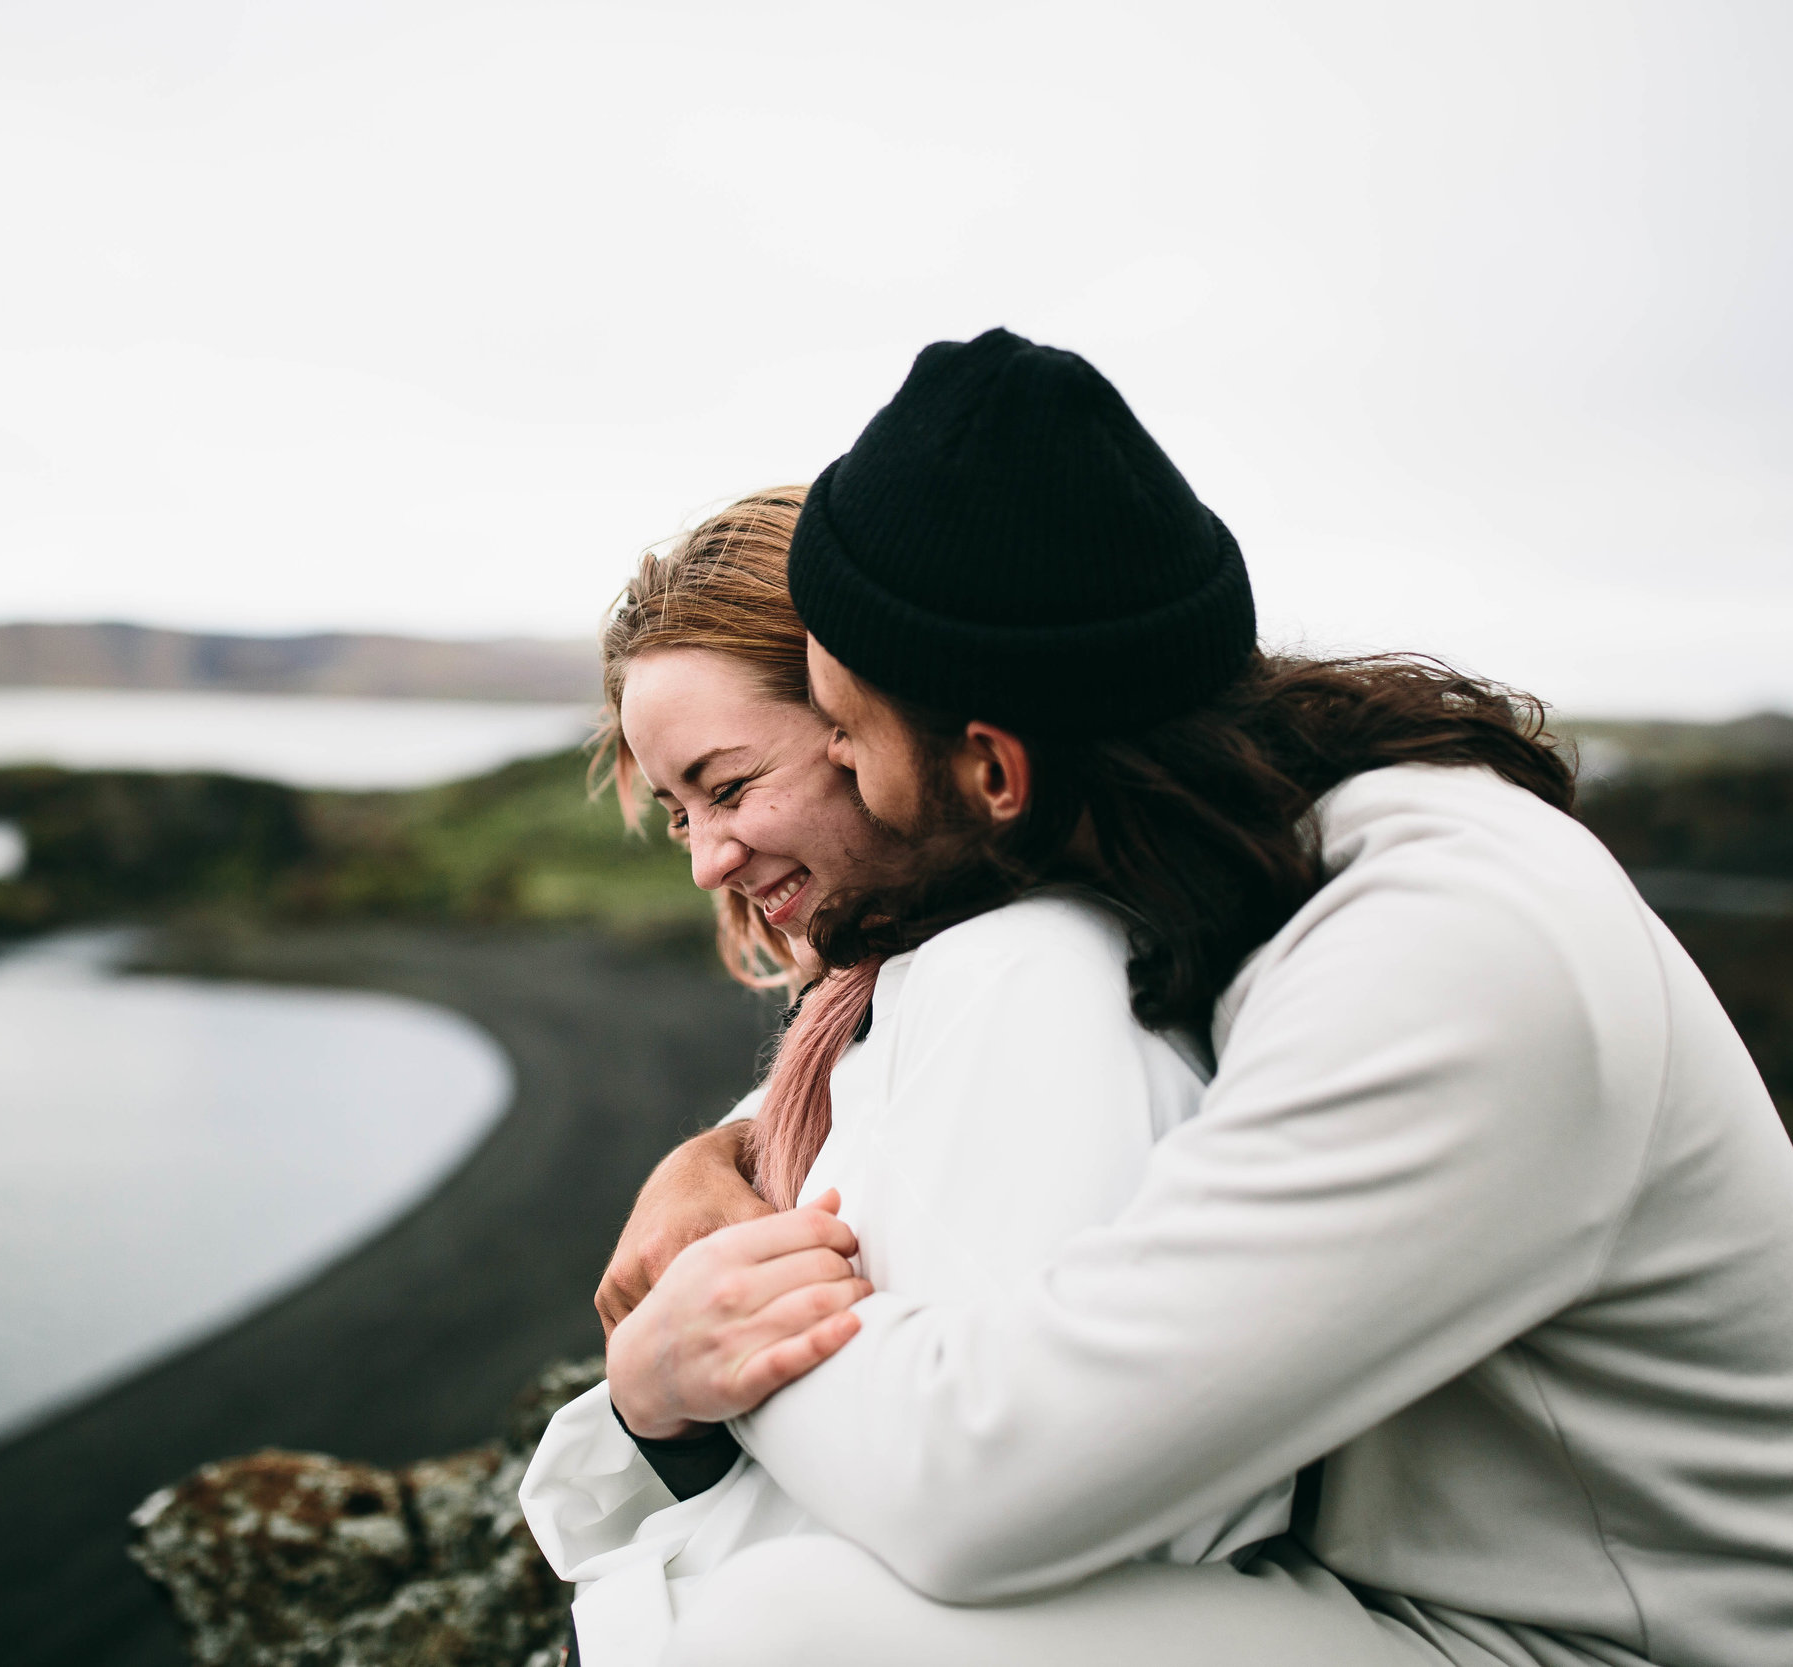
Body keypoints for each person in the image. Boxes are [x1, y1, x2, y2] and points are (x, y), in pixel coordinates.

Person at [595, 329, 1793, 1666]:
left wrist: (704, 1348)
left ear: (993, 768)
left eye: (849, 737)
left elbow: (987, 1488)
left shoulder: (1446, 949)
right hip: (1403, 1601)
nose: (834, 790)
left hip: (1615, 1646)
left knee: (774, 1634)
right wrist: (721, 1157)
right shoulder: (1228, 852)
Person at [518, 488, 1294, 1667]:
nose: (707, 860)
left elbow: (1068, 1504)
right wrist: (707, 1173)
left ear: (872, 721)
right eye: (677, 814)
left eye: (728, 785)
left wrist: (666, 1375)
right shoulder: (889, 1002)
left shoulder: (1032, 978)